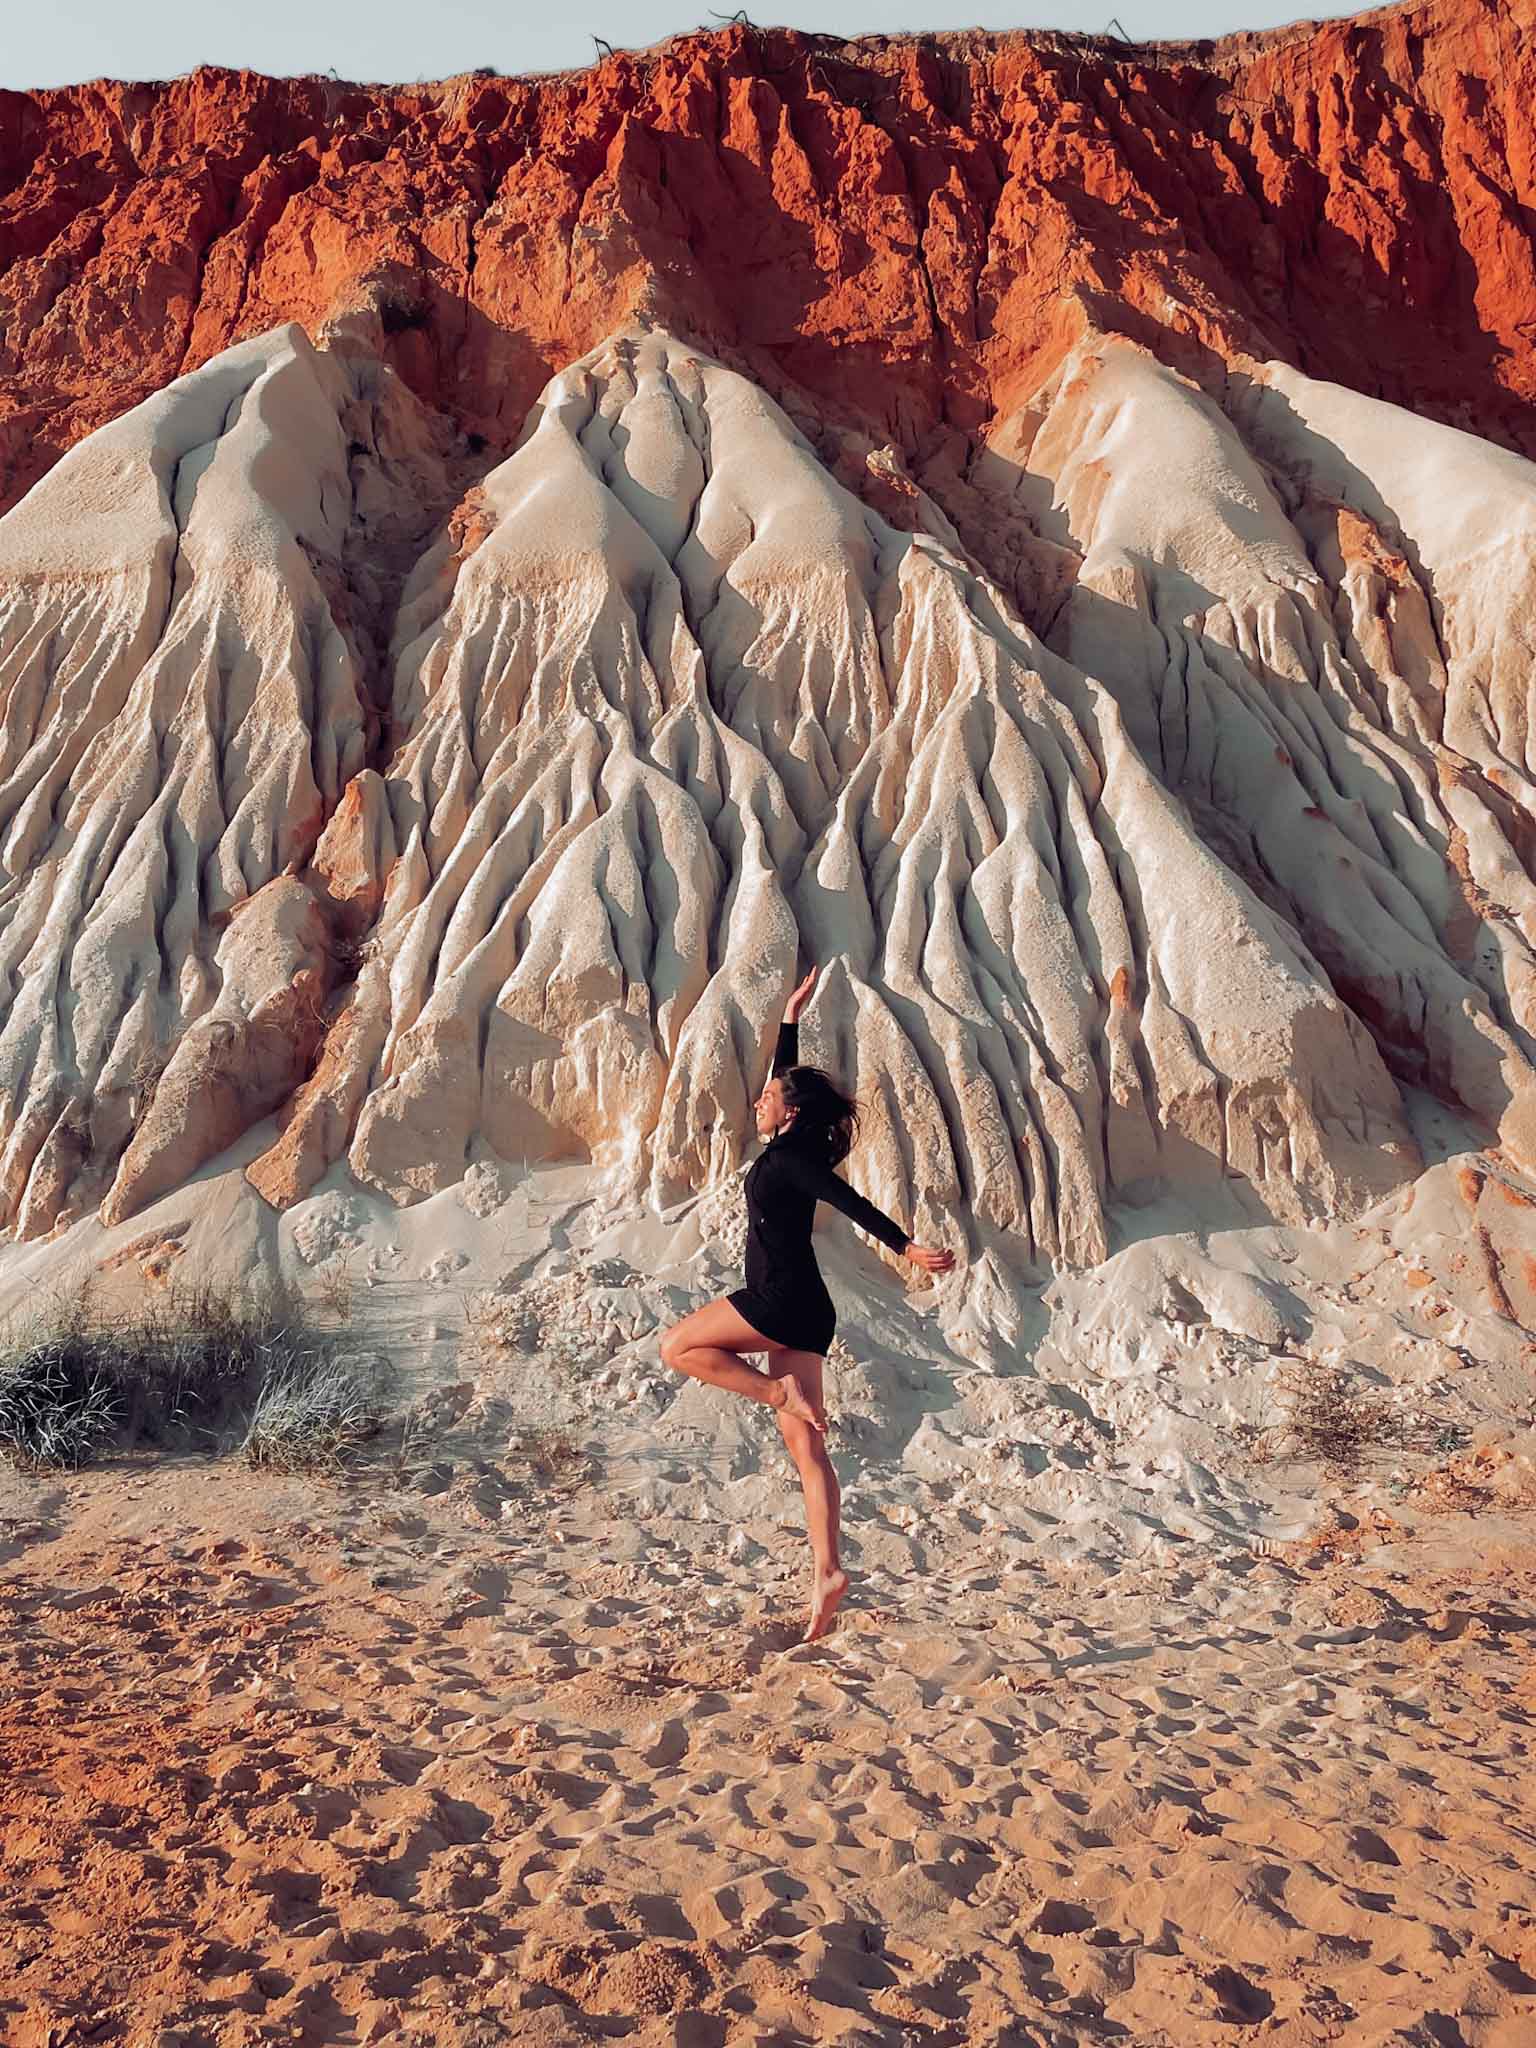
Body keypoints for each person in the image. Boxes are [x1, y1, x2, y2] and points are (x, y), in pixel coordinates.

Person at [660, 965, 958, 1641]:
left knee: (677, 1346)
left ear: (788, 1111)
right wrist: (790, 1017)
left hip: (777, 1298)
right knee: (808, 1453)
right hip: (808, 1308)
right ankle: (827, 1573)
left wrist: (904, 1246)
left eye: (768, 1097)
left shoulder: (794, 1159)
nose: (759, 1101)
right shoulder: (791, 1141)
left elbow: (849, 1203)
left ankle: (776, 1397)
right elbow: (785, 1076)